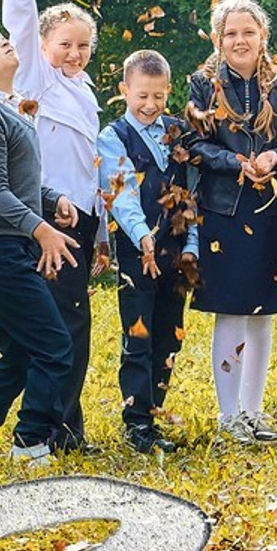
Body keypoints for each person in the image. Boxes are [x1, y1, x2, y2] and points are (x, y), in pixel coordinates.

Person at [0, 0, 105, 455]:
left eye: (84, 45)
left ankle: (68, 421)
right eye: (65, 44)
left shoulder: (85, 93)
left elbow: (91, 165)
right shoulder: (33, 78)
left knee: (76, 320)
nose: (75, 53)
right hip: (44, 215)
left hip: (81, 217)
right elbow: (20, 11)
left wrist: (103, 226)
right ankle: (48, 427)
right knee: (52, 326)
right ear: (43, 47)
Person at [185, 0, 277, 446]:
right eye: (230, 33)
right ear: (218, 38)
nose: (240, 40)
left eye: (248, 32)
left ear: (263, 36)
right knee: (232, 312)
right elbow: (193, 144)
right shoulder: (203, 85)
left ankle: (254, 412)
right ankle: (228, 414)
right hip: (225, 210)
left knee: (264, 315)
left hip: (274, 211)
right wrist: (235, 161)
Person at [0, 24, 80, 465]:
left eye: (2, 35)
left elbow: (23, 183)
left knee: (19, 350)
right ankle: (31, 441)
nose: (2, 40)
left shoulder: (10, 111)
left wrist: (53, 201)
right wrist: (41, 229)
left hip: (8, 245)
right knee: (54, 345)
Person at [97, 49, 199, 455]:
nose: (150, 105)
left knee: (169, 331)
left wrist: (191, 242)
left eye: (158, 96)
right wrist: (142, 235)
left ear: (168, 91)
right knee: (138, 331)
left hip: (176, 249)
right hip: (139, 249)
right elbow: (121, 195)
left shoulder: (178, 131)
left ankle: (156, 410)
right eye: (141, 96)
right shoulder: (113, 136)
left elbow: (192, 190)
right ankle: (136, 420)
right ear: (124, 90)